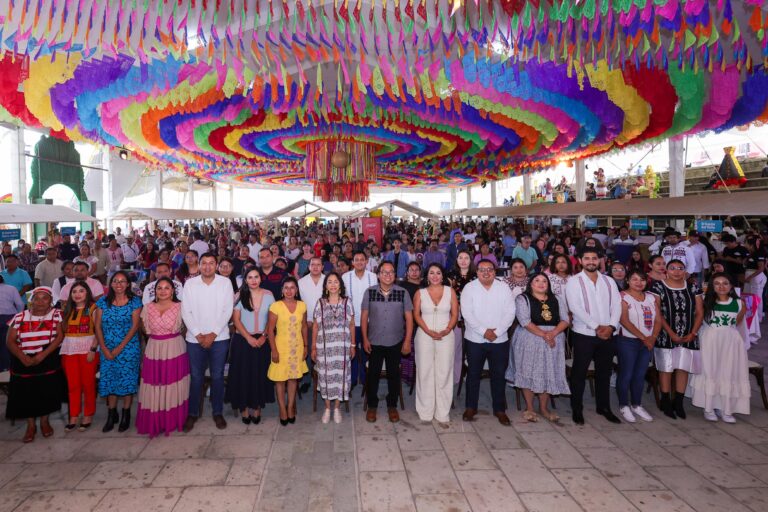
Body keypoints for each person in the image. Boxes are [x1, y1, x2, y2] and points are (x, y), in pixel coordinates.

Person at [565, 248, 622, 425]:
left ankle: (603, 407)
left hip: (608, 334)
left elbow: (617, 305)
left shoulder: (609, 281)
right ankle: (577, 408)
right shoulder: (573, 282)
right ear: (580, 261)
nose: (591, 261)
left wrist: (611, 326)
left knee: (604, 372)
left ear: (600, 261)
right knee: (579, 373)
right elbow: (575, 308)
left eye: (594, 258)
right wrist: (597, 326)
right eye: (587, 258)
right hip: (584, 334)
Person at [181, 252, 234, 432]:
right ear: (199, 264)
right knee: (196, 377)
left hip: (219, 338)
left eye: (211, 263)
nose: (207, 266)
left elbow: (227, 310)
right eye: (204, 263)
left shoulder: (225, 283)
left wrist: (213, 334)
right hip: (194, 340)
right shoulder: (190, 284)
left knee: (217, 376)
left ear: (217, 265)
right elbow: (185, 311)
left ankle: (217, 412)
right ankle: (193, 413)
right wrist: (198, 334)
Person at [4, 287, 64, 442]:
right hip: (22, 358)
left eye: (45, 298)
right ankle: (31, 425)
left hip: (47, 357)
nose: (40, 302)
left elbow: (59, 337)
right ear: (31, 301)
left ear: (51, 301)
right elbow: (10, 341)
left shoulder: (57, 315)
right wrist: (22, 357)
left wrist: (42, 355)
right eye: (37, 298)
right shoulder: (19, 317)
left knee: (46, 390)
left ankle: (44, 421)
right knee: (26, 392)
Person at [460, 259, 516, 425]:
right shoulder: (469, 288)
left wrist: (497, 332)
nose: (486, 272)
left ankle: (499, 409)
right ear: (476, 272)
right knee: (473, 374)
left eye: (489, 269)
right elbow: (467, 314)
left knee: (498, 375)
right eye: (482, 269)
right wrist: (484, 331)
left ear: (495, 271)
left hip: (500, 340)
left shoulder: (503, 287)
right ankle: (471, 407)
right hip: (475, 339)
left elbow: (510, 312)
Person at [691, 273, 750, 423]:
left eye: (725, 283)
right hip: (710, 340)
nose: (721, 286)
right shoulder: (705, 301)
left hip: (730, 341)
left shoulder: (739, 303)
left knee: (728, 372)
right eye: (717, 283)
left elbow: (737, 322)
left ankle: (725, 408)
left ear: (731, 286)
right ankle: (709, 407)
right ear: (712, 286)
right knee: (711, 371)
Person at [512, 273, 570, 422]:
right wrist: (545, 335)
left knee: (548, 371)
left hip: (554, 339)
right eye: (537, 280)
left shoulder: (557, 299)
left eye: (544, 281)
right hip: (530, 338)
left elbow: (565, 319)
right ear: (530, 283)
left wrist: (553, 333)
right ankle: (530, 407)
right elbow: (525, 321)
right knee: (528, 370)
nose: (541, 283)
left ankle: (544, 408)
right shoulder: (522, 299)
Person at [650, 259, 704, 420]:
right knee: (665, 368)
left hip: (689, 333)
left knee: (683, 367)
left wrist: (693, 333)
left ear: (685, 271)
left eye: (681, 268)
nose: (677, 271)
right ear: (666, 270)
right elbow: (657, 312)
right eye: (672, 268)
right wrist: (671, 333)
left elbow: (700, 312)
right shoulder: (658, 286)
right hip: (666, 334)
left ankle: (678, 402)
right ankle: (665, 401)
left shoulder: (693, 287)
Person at [135, 277, 189, 437]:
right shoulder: (147, 307)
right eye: (160, 288)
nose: (163, 291)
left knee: (172, 383)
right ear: (155, 291)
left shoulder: (181, 307)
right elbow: (143, 329)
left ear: (173, 291)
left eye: (167, 288)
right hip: (154, 349)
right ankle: (155, 419)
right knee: (154, 384)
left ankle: (170, 419)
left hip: (174, 348)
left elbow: (186, 327)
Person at [361, 261, 414, 423]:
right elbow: (364, 318)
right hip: (375, 341)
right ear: (378, 275)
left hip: (395, 342)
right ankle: (372, 406)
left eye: (391, 272)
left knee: (393, 374)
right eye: (384, 272)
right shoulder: (369, 292)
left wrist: (406, 342)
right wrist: (364, 338)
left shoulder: (402, 292)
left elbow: (410, 319)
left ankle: (392, 405)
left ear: (395, 275)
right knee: (373, 375)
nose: (388, 275)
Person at [225, 269, 275, 425]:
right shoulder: (240, 295)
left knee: (259, 375)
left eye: (256, 277)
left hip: (262, 340)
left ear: (261, 278)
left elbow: (271, 320)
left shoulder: (269, 295)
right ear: (245, 280)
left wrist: (263, 337)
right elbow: (236, 320)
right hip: (242, 341)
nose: (253, 280)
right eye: (250, 277)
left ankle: (257, 407)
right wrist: (248, 338)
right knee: (243, 375)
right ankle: (244, 409)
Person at [95, 271, 143, 433]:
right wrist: (104, 348)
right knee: (110, 380)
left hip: (128, 348)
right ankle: (111, 414)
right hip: (106, 347)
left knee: (127, 381)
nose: (119, 284)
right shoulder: (103, 302)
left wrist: (119, 348)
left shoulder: (135, 302)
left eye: (123, 281)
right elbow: (97, 327)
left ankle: (126, 414)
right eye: (115, 281)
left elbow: (134, 327)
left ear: (128, 284)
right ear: (111, 283)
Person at [413, 264, 458, 423]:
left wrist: (447, 329)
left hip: (446, 335)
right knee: (424, 371)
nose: (435, 276)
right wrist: (428, 330)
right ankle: (425, 411)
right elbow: (416, 315)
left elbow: (455, 314)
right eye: (431, 273)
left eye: (438, 273)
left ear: (442, 275)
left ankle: (442, 412)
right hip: (424, 335)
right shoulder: (420, 293)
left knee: (444, 371)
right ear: (427, 276)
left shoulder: (450, 291)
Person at [616, 270, 661, 423]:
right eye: (634, 279)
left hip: (648, 342)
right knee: (626, 374)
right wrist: (644, 338)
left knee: (640, 375)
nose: (638, 282)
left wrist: (653, 337)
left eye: (641, 279)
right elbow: (624, 320)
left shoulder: (651, 297)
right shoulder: (623, 297)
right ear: (627, 280)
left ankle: (636, 404)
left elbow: (659, 320)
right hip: (628, 342)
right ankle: (623, 405)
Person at [311, 272, 355, 424]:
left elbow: (351, 324)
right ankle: (327, 408)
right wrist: (313, 347)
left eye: (336, 281)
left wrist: (353, 345)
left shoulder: (347, 302)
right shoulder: (320, 303)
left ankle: (337, 408)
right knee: (326, 377)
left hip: (343, 348)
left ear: (340, 285)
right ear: (326, 286)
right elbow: (315, 326)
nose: (333, 284)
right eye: (329, 282)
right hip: (324, 349)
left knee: (340, 377)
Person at [267, 276, 309, 426]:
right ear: (282, 290)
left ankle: (290, 406)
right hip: (280, 347)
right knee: (280, 381)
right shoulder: (276, 306)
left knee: (293, 379)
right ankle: (282, 409)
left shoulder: (302, 305)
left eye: (292, 287)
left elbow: (304, 326)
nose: (289, 291)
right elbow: (270, 331)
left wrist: (306, 346)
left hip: (296, 348)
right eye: (286, 288)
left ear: (296, 290)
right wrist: (274, 350)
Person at [60, 282, 99, 432]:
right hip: (69, 350)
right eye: (74, 291)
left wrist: (93, 349)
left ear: (87, 292)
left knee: (88, 383)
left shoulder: (93, 308)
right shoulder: (67, 309)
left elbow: (98, 331)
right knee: (73, 385)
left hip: (88, 350)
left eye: (81, 291)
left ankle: (88, 414)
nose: (77, 294)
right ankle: (74, 415)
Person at [342, 251, 378, 388]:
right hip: (350, 322)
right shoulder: (345, 277)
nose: (359, 262)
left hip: (369, 322)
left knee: (366, 350)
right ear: (352, 263)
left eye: (362, 260)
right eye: (356, 259)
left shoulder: (373, 277)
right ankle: (351, 380)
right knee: (351, 351)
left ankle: (364, 379)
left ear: (366, 261)